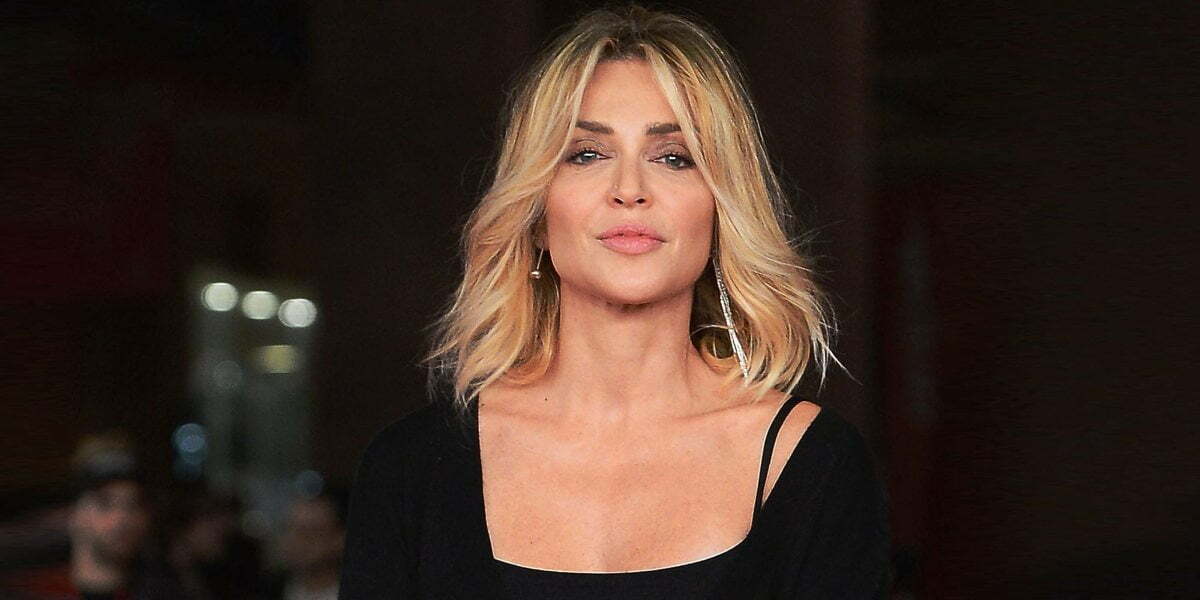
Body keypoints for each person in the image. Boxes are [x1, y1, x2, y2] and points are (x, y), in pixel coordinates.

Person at [340, 6, 890, 598]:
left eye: (674, 157)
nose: (629, 190)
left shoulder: (814, 463)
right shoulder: (411, 468)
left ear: (721, 208)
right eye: (587, 154)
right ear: (536, 211)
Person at [2, 434, 186, 600]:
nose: (122, 518)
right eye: (104, 503)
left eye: (134, 504)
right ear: (74, 513)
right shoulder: (33, 590)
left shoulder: (166, 591)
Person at [272, 485, 347, 600]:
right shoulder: (272, 588)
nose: (294, 541)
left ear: (338, 539)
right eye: (289, 529)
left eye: (307, 533)